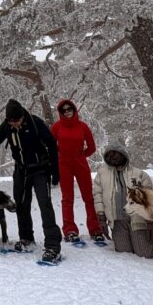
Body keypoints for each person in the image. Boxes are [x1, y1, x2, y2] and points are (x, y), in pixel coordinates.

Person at [0, 99, 62, 263]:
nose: (15, 124)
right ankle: (26, 238)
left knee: (45, 204)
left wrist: (55, 171)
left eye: (17, 121)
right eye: (11, 121)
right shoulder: (7, 126)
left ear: (22, 116)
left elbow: (52, 143)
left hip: (39, 169)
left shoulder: (35, 122)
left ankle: (53, 246)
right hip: (21, 170)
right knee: (21, 205)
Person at [92, 143, 153, 258]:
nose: (112, 157)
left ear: (123, 154)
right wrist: (101, 217)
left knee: (145, 253)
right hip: (117, 220)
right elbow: (97, 196)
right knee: (124, 252)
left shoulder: (139, 174)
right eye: (109, 155)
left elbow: (150, 199)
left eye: (115, 154)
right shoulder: (101, 174)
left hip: (138, 219)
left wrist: (151, 223)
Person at [50, 98, 101, 244]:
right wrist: (60, 155)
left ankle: (95, 229)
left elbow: (91, 147)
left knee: (88, 197)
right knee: (67, 198)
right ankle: (70, 230)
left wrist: (81, 155)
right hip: (64, 164)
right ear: (60, 112)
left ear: (74, 110)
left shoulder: (83, 126)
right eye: (64, 110)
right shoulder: (56, 127)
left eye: (69, 109)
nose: (67, 112)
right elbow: (50, 146)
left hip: (80, 163)